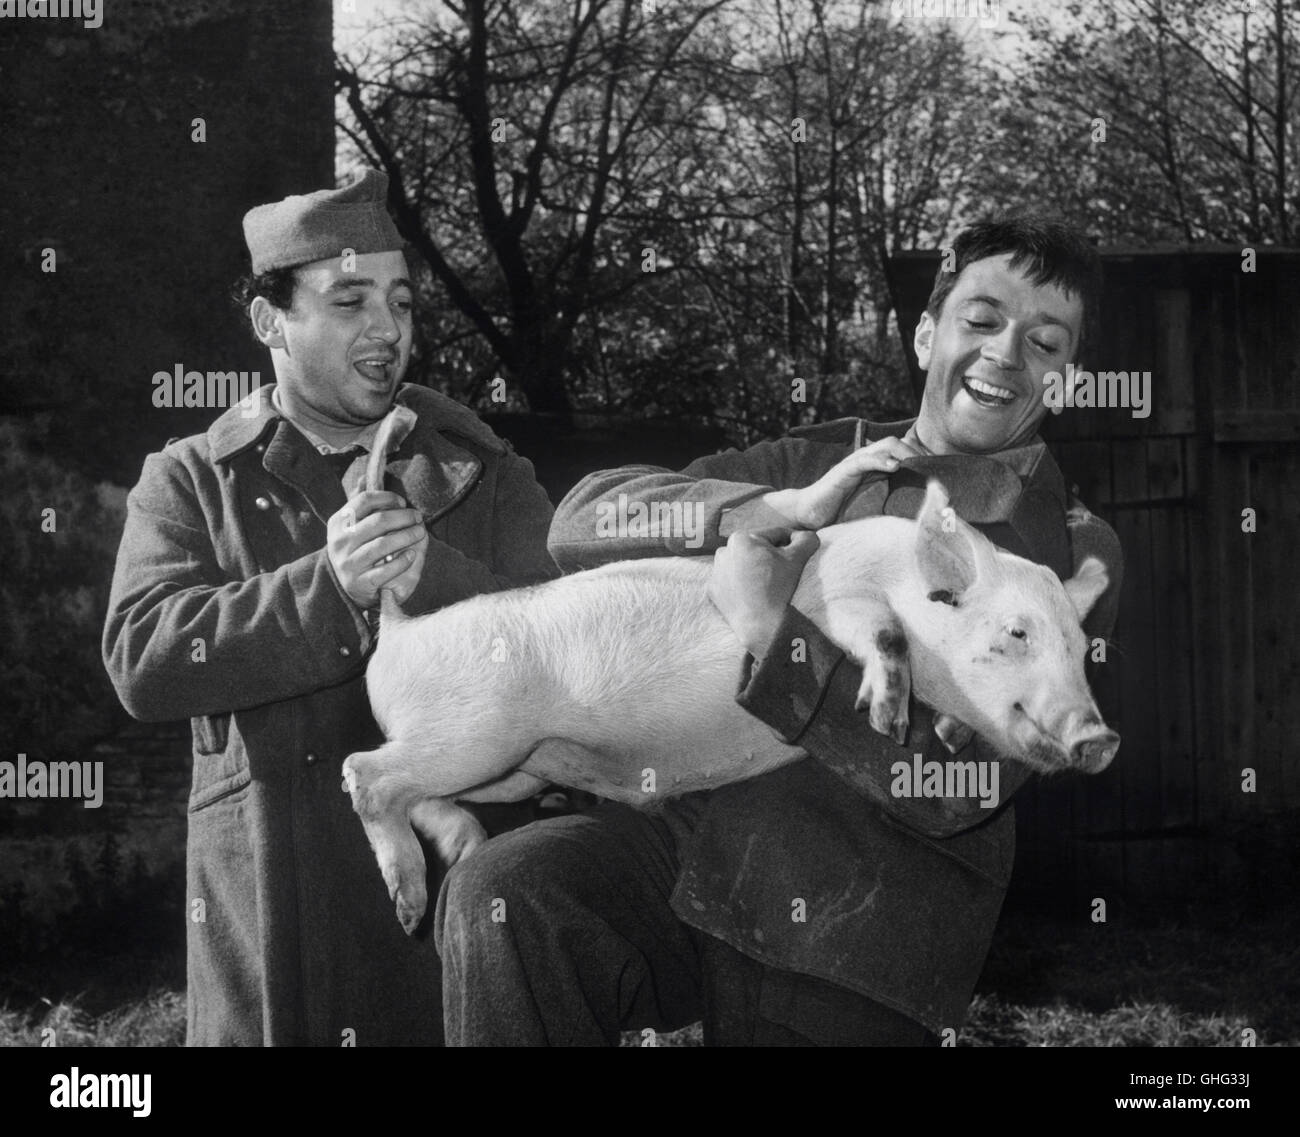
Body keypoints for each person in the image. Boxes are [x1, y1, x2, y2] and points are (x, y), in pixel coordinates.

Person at [435, 213, 1124, 1046]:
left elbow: (955, 792)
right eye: (981, 321)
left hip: (858, 925)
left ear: (1071, 381)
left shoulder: (1068, 555)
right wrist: (772, 511)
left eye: (1046, 344)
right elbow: (583, 518)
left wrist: (774, 630)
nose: (1007, 355)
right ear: (923, 335)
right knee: (515, 892)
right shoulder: (817, 464)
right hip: (686, 849)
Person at [102, 169, 557, 1045]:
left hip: (460, 918)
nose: (388, 329)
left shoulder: (480, 469)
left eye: (402, 302)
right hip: (273, 920)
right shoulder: (192, 479)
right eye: (350, 300)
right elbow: (142, 657)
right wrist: (330, 586)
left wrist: (433, 576)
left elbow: (561, 638)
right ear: (271, 321)